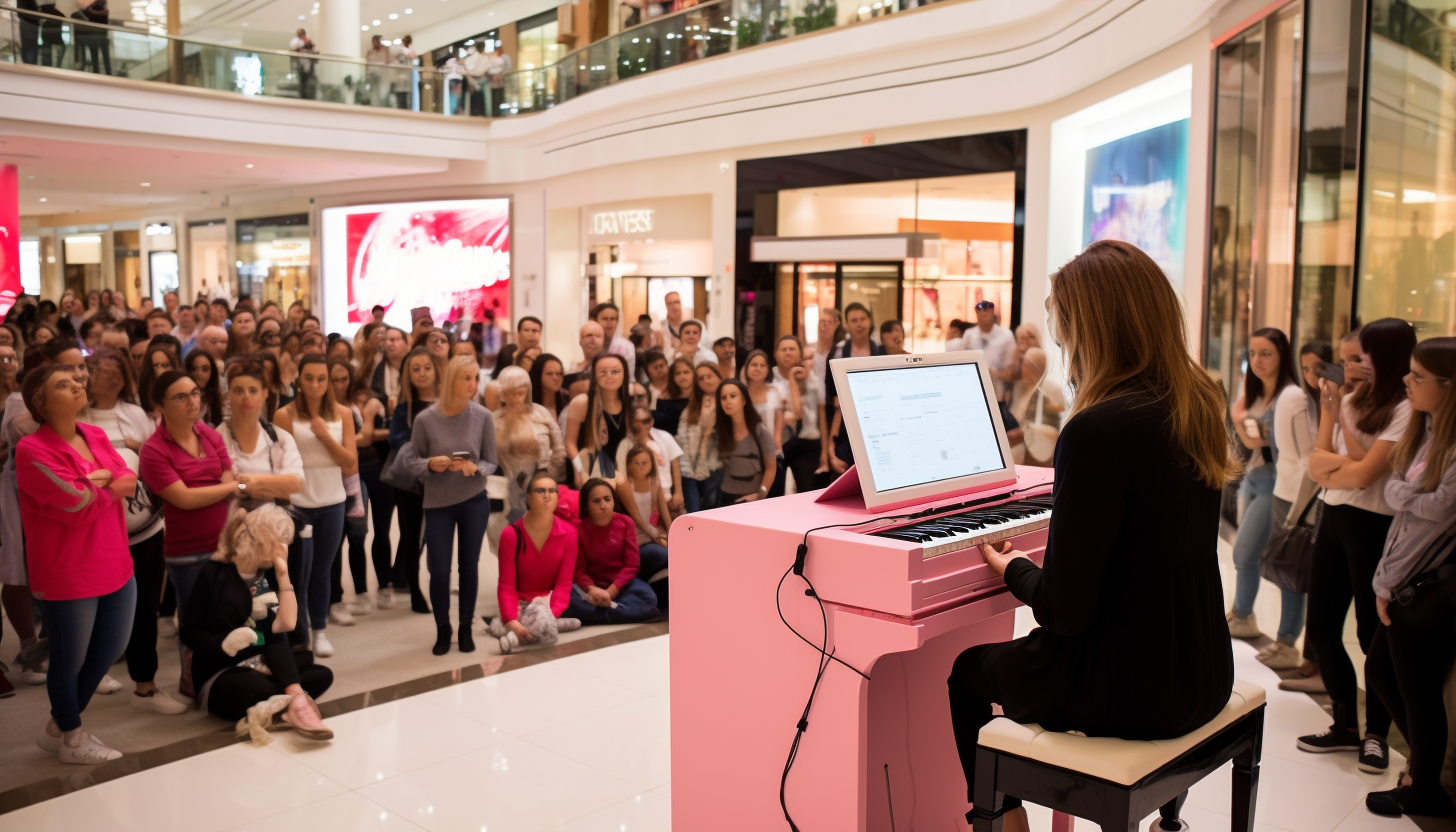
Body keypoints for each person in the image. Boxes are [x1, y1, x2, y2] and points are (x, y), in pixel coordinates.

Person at [946, 240, 1235, 832]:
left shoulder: (1098, 429)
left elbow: (1065, 613)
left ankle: (999, 815)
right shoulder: (1199, 402)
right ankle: (1168, 819)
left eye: (1065, 329)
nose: (1063, 345)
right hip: (1202, 667)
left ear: (1092, 328)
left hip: (1130, 686)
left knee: (966, 669)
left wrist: (1011, 570)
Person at [1299, 318, 1416, 772]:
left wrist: (1342, 465)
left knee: (1373, 637)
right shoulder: (1349, 398)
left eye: (1356, 358)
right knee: (1323, 628)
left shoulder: (1406, 409)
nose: (1346, 366)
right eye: (1345, 359)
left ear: (1381, 358)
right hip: (1334, 515)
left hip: (1375, 525)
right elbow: (1317, 462)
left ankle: (1376, 736)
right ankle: (1344, 724)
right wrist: (1331, 411)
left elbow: (1367, 475)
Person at [20, 363, 138, 763]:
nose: (76, 385)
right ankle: (72, 736)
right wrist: (104, 482)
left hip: (116, 560)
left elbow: (129, 480)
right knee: (69, 659)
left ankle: (61, 723)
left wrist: (97, 482)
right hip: (68, 571)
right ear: (41, 401)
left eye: (75, 380)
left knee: (110, 647)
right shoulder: (31, 449)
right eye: (62, 384)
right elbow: (73, 501)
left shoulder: (96, 434)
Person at [1361, 337, 1456, 818]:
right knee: (1382, 673)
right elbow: (1406, 502)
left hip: (1425, 590)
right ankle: (1423, 773)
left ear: (1449, 386)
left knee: (1414, 692)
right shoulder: (1431, 431)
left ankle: (1425, 787)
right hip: (1403, 582)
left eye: (1418, 376)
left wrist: (1401, 493)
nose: (1406, 381)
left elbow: (1439, 510)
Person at [80, 351, 188, 715]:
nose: (106, 378)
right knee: (93, 607)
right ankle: (91, 674)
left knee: (144, 608)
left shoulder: (135, 414)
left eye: (114, 372)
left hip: (144, 529)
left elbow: (159, 459)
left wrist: (138, 449)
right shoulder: (75, 417)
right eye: (99, 371)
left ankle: (146, 685)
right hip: (94, 532)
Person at [180, 504, 333, 738]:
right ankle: (291, 700)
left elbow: (284, 627)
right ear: (261, 539)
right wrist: (223, 643)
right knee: (258, 688)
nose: (284, 549)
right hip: (221, 669)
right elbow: (189, 631)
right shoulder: (214, 572)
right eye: (280, 541)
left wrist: (284, 577)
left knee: (321, 674)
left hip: (263, 663)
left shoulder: (269, 573)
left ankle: (288, 699)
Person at [139, 368, 236, 695]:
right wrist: (228, 487)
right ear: (161, 406)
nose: (192, 401)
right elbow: (183, 499)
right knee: (195, 625)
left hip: (225, 545)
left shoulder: (209, 434)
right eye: (181, 396)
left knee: (229, 615)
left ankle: (227, 677)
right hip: (187, 552)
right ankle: (194, 683)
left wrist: (227, 486)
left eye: (194, 393)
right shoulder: (153, 450)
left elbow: (228, 476)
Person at [406, 355, 498, 655]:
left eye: (475, 378)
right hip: (438, 503)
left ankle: (465, 627)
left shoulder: (482, 416)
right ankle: (443, 628)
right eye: (466, 378)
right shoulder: (425, 419)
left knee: (469, 567)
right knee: (439, 571)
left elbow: (491, 461)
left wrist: (477, 469)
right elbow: (412, 461)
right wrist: (431, 464)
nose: (473, 384)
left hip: (474, 500)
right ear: (451, 381)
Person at [273, 355, 356, 659]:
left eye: (322, 379)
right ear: (299, 380)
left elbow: (350, 464)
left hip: (333, 502)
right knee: (297, 574)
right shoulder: (284, 415)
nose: (316, 385)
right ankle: (299, 633)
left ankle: (319, 629)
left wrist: (323, 435)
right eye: (309, 378)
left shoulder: (342, 414)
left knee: (322, 570)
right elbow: (282, 465)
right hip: (298, 505)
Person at [1227, 329, 1300, 641]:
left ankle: (1274, 632)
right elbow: (1242, 423)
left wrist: (1245, 428)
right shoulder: (1255, 392)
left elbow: (1265, 442)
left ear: (1282, 356)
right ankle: (1242, 614)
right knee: (1250, 555)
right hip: (1253, 480)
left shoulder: (1290, 396)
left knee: (1252, 554)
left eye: (1265, 353)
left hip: (1276, 483)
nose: (1257, 360)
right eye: (1252, 353)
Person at [490, 473, 581, 654]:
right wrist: (513, 621)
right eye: (540, 491)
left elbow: (564, 584)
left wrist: (550, 615)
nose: (547, 495)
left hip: (546, 602)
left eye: (552, 491)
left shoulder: (569, 533)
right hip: (520, 601)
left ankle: (512, 637)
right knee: (548, 632)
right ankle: (520, 626)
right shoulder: (510, 534)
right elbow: (506, 585)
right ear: (529, 498)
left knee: (546, 619)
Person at [336, 357, 398, 612]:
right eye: (335, 379)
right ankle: (359, 591)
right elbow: (363, 438)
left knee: (382, 531)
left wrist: (367, 428)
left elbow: (379, 433)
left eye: (344, 378)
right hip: (350, 472)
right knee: (355, 533)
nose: (340, 384)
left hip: (378, 469)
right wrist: (368, 424)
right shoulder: (328, 406)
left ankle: (384, 586)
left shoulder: (369, 399)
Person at [566, 478, 663, 625]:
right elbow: (578, 571)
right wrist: (593, 590)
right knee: (567, 599)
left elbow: (632, 565)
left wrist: (610, 592)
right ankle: (619, 612)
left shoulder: (625, 522)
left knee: (648, 598)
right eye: (596, 501)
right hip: (592, 589)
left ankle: (597, 615)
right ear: (586, 506)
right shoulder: (577, 530)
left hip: (622, 585)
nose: (603, 505)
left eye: (607, 499)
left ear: (613, 501)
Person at [389, 347, 439, 613]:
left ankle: (437, 586)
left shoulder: (447, 403)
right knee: (411, 537)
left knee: (438, 535)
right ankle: (414, 590)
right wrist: (424, 450)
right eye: (415, 369)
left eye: (427, 368)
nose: (421, 373)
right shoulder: (404, 407)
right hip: (412, 482)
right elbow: (395, 439)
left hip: (445, 482)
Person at [493, 366, 567, 522]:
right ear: (503, 394)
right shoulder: (495, 420)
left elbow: (559, 448)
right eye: (513, 394)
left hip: (543, 482)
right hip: (507, 489)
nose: (518, 399)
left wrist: (549, 476)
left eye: (522, 393)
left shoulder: (540, 413)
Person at [824, 302, 887, 474]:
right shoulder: (838, 353)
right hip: (844, 427)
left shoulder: (882, 353)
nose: (859, 324)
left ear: (870, 321)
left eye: (863, 319)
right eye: (854, 320)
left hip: (877, 423)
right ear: (846, 325)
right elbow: (833, 399)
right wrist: (830, 447)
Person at [565, 354, 639, 486]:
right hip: (589, 468)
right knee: (616, 480)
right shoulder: (583, 402)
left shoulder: (628, 403)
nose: (609, 376)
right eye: (603, 372)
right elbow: (570, 443)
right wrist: (580, 470)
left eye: (615, 371)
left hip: (620, 466)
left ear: (624, 374)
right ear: (594, 376)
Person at [772, 335, 826, 495]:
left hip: (807, 444)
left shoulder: (813, 381)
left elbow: (821, 417)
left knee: (808, 493)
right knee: (775, 495)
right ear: (776, 354)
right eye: (784, 349)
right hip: (776, 445)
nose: (788, 353)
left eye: (792, 349)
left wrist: (825, 451)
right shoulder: (767, 379)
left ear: (800, 353)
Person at [715, 378, 776, 503]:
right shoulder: (719, 431)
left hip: (753, 497)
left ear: (743, 400)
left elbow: (771, 467)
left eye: (733, 396)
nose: (728, 401)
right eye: (723, 398)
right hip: (726, 496)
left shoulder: (760, 431)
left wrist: (760, 495)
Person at [677, 362, 722, 512]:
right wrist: (686, 468)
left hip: (719, 466)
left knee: (714, 509)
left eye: (709, 376)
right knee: (695, 513)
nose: (705, 381)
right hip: (691, 467)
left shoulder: (728, 400)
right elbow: (682, 440)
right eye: (701, 378)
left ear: (719, 377)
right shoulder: (692, 407)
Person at [962, 300, 1018, 400]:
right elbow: (962, 361)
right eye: (980, 312)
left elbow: (1011, 371)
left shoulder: (1006, 335)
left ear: (992, 312)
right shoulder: (969, 335)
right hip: (973, 389)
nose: (983, 315)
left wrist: (992, 373)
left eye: (986, 312)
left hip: (997, 392)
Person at [591, 303, 637, 379]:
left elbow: (629, 377)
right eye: (605, 319)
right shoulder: (588, 342)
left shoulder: (626, 346)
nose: (609, 322)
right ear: (595, 321)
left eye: (613, 319)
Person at [653, 357, 694, 438]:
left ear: (694, 374)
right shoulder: (665, 399)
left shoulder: (702, 397)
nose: (682, 376)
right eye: (677, 373)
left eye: (686, 372)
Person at [372, 327, 409, 412]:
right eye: (385, 341)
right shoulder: (377, 369)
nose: (388, 344)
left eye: (393, 340)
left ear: (406, 343)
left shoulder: (414, 368)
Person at [531, 353, 572, 427]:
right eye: (550, 374)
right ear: (538, 375)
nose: (556, 378)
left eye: (559, 373)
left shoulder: (567, 402)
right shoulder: (529, 404)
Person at [187, 347, 224, 427]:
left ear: (212, 373)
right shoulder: (181, 399)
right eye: (194, 369)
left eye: (205, 369)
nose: (199, 374)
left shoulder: (215, 399)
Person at [289, 28, 318, 100]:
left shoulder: (308, 39)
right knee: (302, 81)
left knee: (310, 80)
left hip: (309, 64)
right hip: (300, 64)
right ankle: (302, 96)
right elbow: (294, 49)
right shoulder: (295, 41)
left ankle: (310, 96)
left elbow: (313, 49)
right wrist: (303, 45)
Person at [390, 34, 416, 109]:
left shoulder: (411, 51)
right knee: (400, 99)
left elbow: (413, 57)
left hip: (408, 82)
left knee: (408, 100)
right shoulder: (399, 50)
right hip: (399, 80)